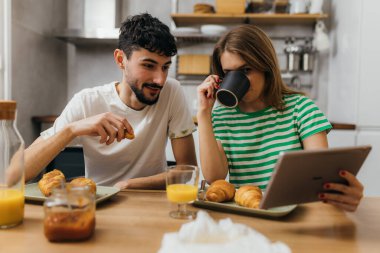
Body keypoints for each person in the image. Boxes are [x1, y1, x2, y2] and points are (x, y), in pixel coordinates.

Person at [197, 25, 363, 212]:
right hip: (247, 215)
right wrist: (204, 112)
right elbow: (214, 177)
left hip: (296, 214)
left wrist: (343, 192)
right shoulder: (221, 116)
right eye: (230, 74)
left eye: (246, 70)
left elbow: (319, 178)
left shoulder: (302, 109)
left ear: (266, 67)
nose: (239, 81)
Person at [25, 13, 197, 189]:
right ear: (121, 60)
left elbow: (187, 169)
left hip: (152, 202)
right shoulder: (87, 101)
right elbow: (19, 173)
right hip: (98, 204)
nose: (160, 80)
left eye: (165, 67)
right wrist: (72, 130)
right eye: (148, 66)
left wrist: (130, 185)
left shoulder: (172, 91)